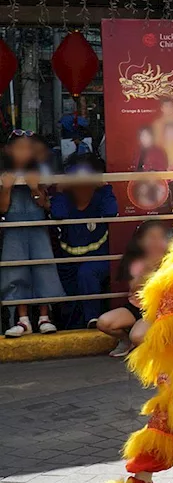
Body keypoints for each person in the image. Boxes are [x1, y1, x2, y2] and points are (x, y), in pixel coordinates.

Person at [1, 131, 65, 337]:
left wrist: (34, 188)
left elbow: (44, 204)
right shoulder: (4, 174)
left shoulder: (39, 172)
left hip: (37, 227)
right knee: (16, 270)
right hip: (14, 228)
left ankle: (44, 317)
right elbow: (2, 209)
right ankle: (22, 319)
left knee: (42, 267)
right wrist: (7, 189)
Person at [52, 154, 118, 329]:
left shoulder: (100, 199)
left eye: (86, 181)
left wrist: (105, 187)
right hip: (68, 262)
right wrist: (59, 191)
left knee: (87, 273)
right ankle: (73, 326)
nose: (82, 186)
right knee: (70, 294)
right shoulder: (65, 200)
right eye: (77, 182)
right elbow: (58, 214)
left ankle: (93, 320)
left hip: (98, 258)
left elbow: (112, 212)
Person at [94, 220, 171, 356]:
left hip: (157, 311)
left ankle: (156, 348)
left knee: (137, 336)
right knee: (103, 322)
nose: (156, 242)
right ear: (140, 241)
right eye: (151, 237)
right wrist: (149, 268)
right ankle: (125, 341)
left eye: (160, 237)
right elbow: (135, 287)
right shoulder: (136, 261)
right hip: (136, 306)